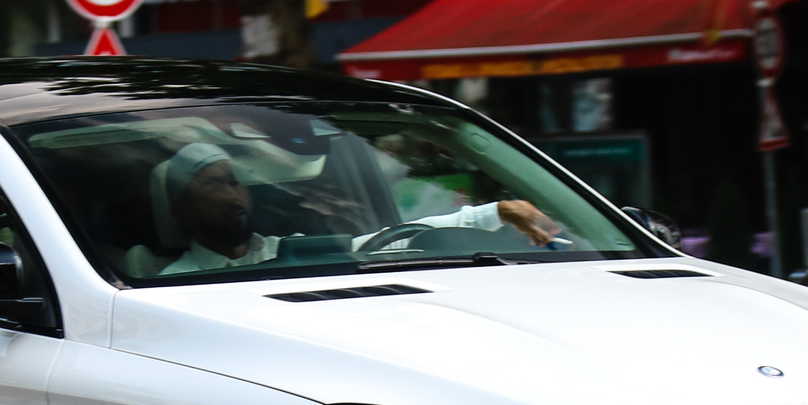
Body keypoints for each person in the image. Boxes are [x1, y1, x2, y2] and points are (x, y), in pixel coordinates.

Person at [155, 141, 561, 276]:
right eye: (212, 185)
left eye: (234, 181)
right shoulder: (169, 284)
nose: (232, 194)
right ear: (181, 209)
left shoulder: (288, 251)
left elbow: (387, 242)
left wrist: (498, 212)